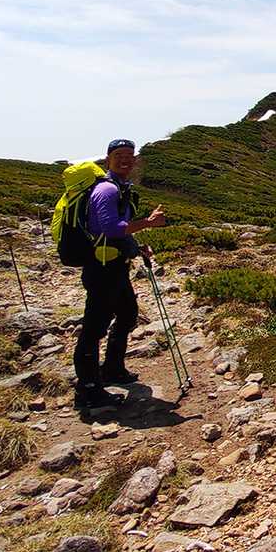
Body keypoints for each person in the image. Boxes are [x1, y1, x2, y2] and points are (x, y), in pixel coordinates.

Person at [73, 138, 167, 409]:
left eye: (129, 155)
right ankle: (88, 389)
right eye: (119, 155)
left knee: (127, 314)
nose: (125, 159)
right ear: (108, 160)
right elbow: (111, 229)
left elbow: (119, 230)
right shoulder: (106, 190)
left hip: (115, 265)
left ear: (135, 160)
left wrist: (136, 247)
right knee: (95, 326)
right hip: (101, 268)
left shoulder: (121, 188)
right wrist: (148, 223)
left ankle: (112, 369)